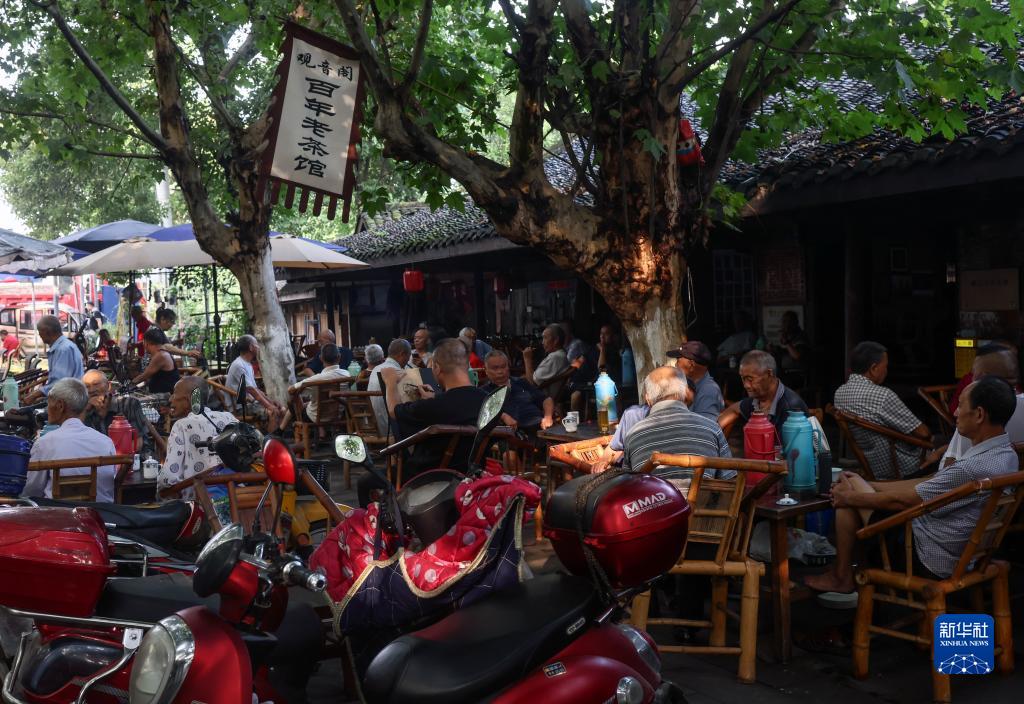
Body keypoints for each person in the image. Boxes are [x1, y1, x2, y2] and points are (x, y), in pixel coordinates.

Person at [805, 377, 1019, 593]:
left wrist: (849, 497)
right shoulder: (1007, 455)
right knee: (853, 483)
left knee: (849, 496)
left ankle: (843, 576)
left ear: (979, 414)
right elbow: (931, 483)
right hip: (962, 555)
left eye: (961, 406)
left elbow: (904, 501)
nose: (955, 412)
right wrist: (868, 485)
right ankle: (844, 574)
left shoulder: (972, 468)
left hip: (926, 557)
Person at [365, 339, 487, 506]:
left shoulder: (434, 406)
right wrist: (433, 398)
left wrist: (391, 383)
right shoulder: (486, 399)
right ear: (467, 365)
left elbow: (394, 411)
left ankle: (380, 522)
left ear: (436, 367)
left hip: (429, 476)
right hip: (473, 474)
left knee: (366, 482)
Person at [833, 341, 931, 479]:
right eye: (885, 367)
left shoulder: (839, 393)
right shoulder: (882, 396)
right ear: (873, 368)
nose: (886, 371)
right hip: (902, 467)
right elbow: (923, 433)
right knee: (944, 450)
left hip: (871, 465)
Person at [623, 367, 734, 483]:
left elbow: (628, 483)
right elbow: (730, 481)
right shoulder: (712, 428)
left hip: (653, 495)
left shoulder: (632, 435)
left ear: (648, 399)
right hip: (701, 495)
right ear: (686, 393)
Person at [21, 378, 118, 502]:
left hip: (60, 513)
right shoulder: (105, 442)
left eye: (48, 404)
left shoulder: (45, 443)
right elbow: (109, 484)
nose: (47, 409)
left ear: (60, 406)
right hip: (102, 512)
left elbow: (31, 490)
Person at [940, 345, 1024, 465]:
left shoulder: (976, 417)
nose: (972, 378)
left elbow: (949, 465)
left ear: (984, 378)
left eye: (973, 373)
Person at [158, 376, 239, 497]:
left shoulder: (181, 426)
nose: (170, 399)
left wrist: (160, 487)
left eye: (174, 394)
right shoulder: (229, 417)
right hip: (239, 496)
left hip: (202, 501)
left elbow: (169, 477)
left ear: (188, 401)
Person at [718, 349, 808, 437]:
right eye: (743, 379)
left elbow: (793, 447)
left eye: (750, 379)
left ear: (769, 374)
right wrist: (712, 434)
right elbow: (734, 409)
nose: (746, 385)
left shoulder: (790, 408)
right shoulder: (759, 400)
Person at [82, 369, 154, 456]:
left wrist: (111, 459)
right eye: (87, 387)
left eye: (96, 384)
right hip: (101, 461)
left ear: (108, 386)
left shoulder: (129, 404)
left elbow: (137, 443)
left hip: (133, 459)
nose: (91, 390)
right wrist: (85, 410)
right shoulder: (85, 412)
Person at [280, 343, 351, 430]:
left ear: (321, 358)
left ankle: (280, 430)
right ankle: (280, 430)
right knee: (311, 403)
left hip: (315, 417)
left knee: (296, 403)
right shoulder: (347, 374)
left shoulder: (315, 380)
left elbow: (290, 390)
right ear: (339, 357)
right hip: (338, 415)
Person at [481, 350, 554, 431]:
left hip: (541, 425)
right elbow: (482, 411)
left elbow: (546, 399)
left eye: (503, 367)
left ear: (508, 367)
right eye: (495, 368)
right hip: (517, 432)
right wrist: (503, 416)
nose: (500, 371)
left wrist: (548, 417)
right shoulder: (484, 392)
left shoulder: (520, 382)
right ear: (486, 370)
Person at [225, 335, 284, 428]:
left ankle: (276, 435)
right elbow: (252, 390)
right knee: (272, 412)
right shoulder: (239, 365)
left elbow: (255, 389)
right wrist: (269, 406)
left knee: (281, 409)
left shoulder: (247, 364)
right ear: (251, 347)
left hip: (250, 403)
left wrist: (271, 402)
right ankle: (270, 437)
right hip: (240, 408)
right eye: (256, 345)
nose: (258, 347)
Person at [24, 315, 84, 403]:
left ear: (47, 331)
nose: (39, 335)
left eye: (39, 331)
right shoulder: (63, 347)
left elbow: (59, 383)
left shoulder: (63, 349)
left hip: (69, 402)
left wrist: (34, 395)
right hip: (66, 399)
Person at [667, 341, 724, 421]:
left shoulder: (708, 391)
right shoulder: (688, 383)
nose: (676, 365)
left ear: (691, 365)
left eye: (678, 361)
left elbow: (704, 426)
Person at [368, 338, 413, 436]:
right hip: (392, 431)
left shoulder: (375, 369)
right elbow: (408, 406)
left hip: (375, 427)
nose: (409, 360)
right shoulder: (398, 372)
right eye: (409, 355)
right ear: (402, 354)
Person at [523, 324, 570, 397]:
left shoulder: (555, 357)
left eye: (545, 338)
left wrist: (527, 359)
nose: (542, 342)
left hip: (538, 397)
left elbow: (531, 383)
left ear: (556, 340)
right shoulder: (560, 355)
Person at [132, 327, 182, 394]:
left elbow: (144, 376)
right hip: (161, 393)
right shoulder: (160, 353)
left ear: (147, 342)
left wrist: (130, 384)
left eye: (143, 341)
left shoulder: (160, 356)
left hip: (166, 396)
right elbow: (148, 379)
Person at [773, 310, 810, 387]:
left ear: (794, 323)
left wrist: (786, 342)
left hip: (797, 375)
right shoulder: (789, 337)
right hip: (785, 373)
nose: (784, 325)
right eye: (783, 322)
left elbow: (797, 355)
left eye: (787, 322)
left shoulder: (800, 336)